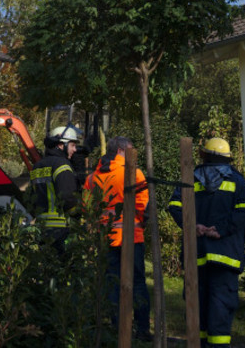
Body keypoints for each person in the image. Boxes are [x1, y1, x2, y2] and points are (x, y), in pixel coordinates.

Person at [167, 137, 245, 347]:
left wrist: (193, 226)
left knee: (198, 310)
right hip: (226, 258)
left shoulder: (190, 178)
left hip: (195, 256)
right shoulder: (237, 181)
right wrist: (223, 230)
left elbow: (174, 205)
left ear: (204, 155)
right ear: (228, 158)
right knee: (220, 311)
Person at [85, 136, 152, 341]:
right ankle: (141, 330)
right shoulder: (133, 173)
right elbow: (143, 205)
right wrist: (142, 222)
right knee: (138, 283)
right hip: (131, 237)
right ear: (123, 151)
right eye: (132, 149)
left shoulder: (92, 177)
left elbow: (87, 207)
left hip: (105, 239)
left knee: (111, 283)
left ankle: (116, 328)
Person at [29, 125, 81, 249]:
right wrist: (79, 215)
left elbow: (31, 197)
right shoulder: (62, 164)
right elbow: (68, 197)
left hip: (41, 228)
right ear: (61, 145)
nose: (75, 150)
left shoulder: (37, 166)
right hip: (60, 229)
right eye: (73, 145)